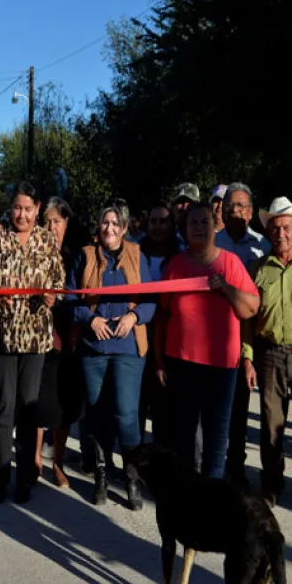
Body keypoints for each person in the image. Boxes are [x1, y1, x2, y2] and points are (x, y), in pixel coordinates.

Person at [154, 202, 259, 481]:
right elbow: (163, 317)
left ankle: (212, 501)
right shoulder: (175, 266)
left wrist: (225, 286)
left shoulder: (230, 263)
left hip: (221, 368)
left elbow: (250, 308)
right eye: (193, 223)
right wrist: (159, 361)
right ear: (185, 231)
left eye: (205, 222)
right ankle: (190, 499)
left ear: (215, 227)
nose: (199, 227)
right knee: (184, 437)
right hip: (182, 363)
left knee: (216, 438)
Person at [66, 198, 156, 510]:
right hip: (94, 346)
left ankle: (132, 474)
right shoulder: (86, 255)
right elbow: (70, 295)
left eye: (116, 223)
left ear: (125, 227)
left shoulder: (137, 254)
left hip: (128, 348)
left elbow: (151, 298)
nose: (110, 228)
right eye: (106, 222)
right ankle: (102, 472)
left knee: (126, 414)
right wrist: (89, 319)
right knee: (96, 412)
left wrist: (134, 317)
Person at [0, 182, 65, 505]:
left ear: (38, 208)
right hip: (4, 334)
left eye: (28, 209)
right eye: (17, 207)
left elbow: (57, 280)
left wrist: (50, 296)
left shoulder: (46, 239)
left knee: (28, 407)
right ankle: (0, 475)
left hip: (35, 336)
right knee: (5, 406)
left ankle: (25, 478)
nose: (21, 214)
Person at [215, 182, 272, 487]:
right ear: (221, 211)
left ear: (250, 211)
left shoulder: (263, 246)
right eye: (229, 206)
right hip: (216, 335)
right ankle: (212, 465)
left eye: (240, 206)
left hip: (250, 337)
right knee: (216, 407)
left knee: (241, 407)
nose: (234, 211)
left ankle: (236, 466)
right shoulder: (212, 243)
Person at [33, 196, 88, 489]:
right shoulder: (35, 250)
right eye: (48, 221)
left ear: (67, 222)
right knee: (40, 400)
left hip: (70, 334)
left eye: (57, 221)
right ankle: (36, 460)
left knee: (65, 401)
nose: (52, 226)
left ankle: (58, 462)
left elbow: (83, 291)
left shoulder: (77, 254)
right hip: (39, 333)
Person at [242, 197, 292, 506]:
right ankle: (272, 484)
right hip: (271, 354)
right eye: (275, 229)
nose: (281, 234)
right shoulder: (258, 269)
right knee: (272, 424)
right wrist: (247, 358)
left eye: (286, 228)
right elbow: (247, 320)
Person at [137, 202, 180, 446]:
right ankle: (135, 459)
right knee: (138, 401)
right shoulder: (135, 251)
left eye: (163, 221)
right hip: (139, 332)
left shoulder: (181, 255)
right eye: (153, 221)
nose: (157, 226)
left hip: (169, 336)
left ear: (172, 225)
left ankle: (163, 455)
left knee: (164, 401)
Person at [172, 183, 200, 251]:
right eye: (180, 202)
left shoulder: (207, 236)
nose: (184, 207)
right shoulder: (166, 237)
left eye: (189, 202)